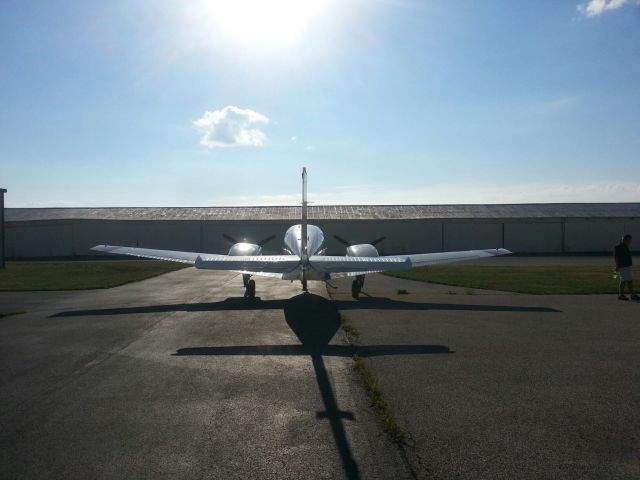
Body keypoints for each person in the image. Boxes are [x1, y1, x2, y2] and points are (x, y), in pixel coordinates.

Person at [614, 234, 638, 301]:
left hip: (628, 267)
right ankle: (622, 295)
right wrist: (617, 266)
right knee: (624, 281)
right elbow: (616, 257)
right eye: (628, 240)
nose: (630, 241)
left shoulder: (626, 246)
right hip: (623, 267)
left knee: (629, 281)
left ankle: (632, 294)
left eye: (630, 240)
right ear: (623, 239)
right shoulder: (618, 247)